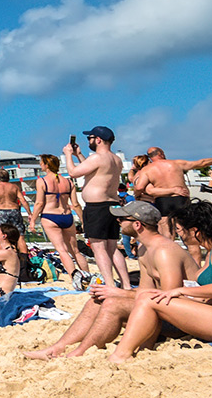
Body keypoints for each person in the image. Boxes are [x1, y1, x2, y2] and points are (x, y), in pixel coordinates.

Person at [23, 202, 195, 360]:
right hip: (159, 311)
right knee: (97, 301)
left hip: (182, 320)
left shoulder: (164, 251)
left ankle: (79, 353)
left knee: (113, 304)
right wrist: (113, 293)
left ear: (137, 225)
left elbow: (169, 298)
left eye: (122, 218)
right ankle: (57, 348)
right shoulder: (146, 250)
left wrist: (119, 293)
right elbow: (145, 291)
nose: (118, 221)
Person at [110, 201, 212, 362]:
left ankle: (121, 355)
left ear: (195, 231)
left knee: (149, 299)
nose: (180, 236)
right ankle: (142, 350)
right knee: (149, 299)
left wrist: (181, 290)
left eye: (180, 230)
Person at [66, 128, 128, 289]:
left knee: (99, 248)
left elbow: (73, 173)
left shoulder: (98, 158)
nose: (89, 142)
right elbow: (93, 172)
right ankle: (126, 284)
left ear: (98, 140)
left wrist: (67, 154)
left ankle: (109, 284)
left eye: (90, 138)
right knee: (113, 249)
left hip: (97, 207)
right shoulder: (115, 159)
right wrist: (79, 155)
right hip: (112, 205)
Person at [29, 154, 84, 286]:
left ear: (46, 165)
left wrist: (33, 220)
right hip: (67, 216)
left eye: (41, 163)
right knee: (75, 250)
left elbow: (39, 203)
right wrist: (83, 220)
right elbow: (76, 204)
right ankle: (87, 275)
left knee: (62, 250)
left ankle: (74, 278)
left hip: (50, 216)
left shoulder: (42, 181)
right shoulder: (69, 182)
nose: (40, 165)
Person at [131, 146, 212, 213]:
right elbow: (201, 163)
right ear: (161, 154)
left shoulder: (147, 169)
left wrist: (137, 196)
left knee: (167, 232)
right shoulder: (176, 163)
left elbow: (139, 187)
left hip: (162, 201)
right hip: (180, 197)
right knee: (186, 229)